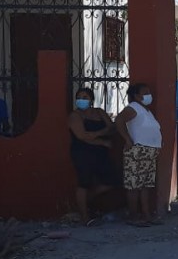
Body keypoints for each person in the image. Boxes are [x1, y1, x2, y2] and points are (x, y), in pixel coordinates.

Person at [67, 87, 118, 225]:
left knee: (111, 180)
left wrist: (95, 135)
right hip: (82, 152)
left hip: (101, 153)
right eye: (79, 97)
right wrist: (101, 137)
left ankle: (88, 199)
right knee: (84, 182)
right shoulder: (75, 116)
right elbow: (82, 136)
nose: (82, 100)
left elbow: (112, 128)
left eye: (85, 97)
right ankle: (84, 216)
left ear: (91, 100)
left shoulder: (99, 112)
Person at [115, 83, 163, 226]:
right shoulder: (133, 108)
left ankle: (146, 215)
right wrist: (127, 139)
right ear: (136, 96)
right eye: (145, 92)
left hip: (149, 152)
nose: (149, 95)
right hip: (138, 150)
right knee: (134, 185)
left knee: (145, 185)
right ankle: (133, 216)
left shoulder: (145, 110)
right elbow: (119, 120)